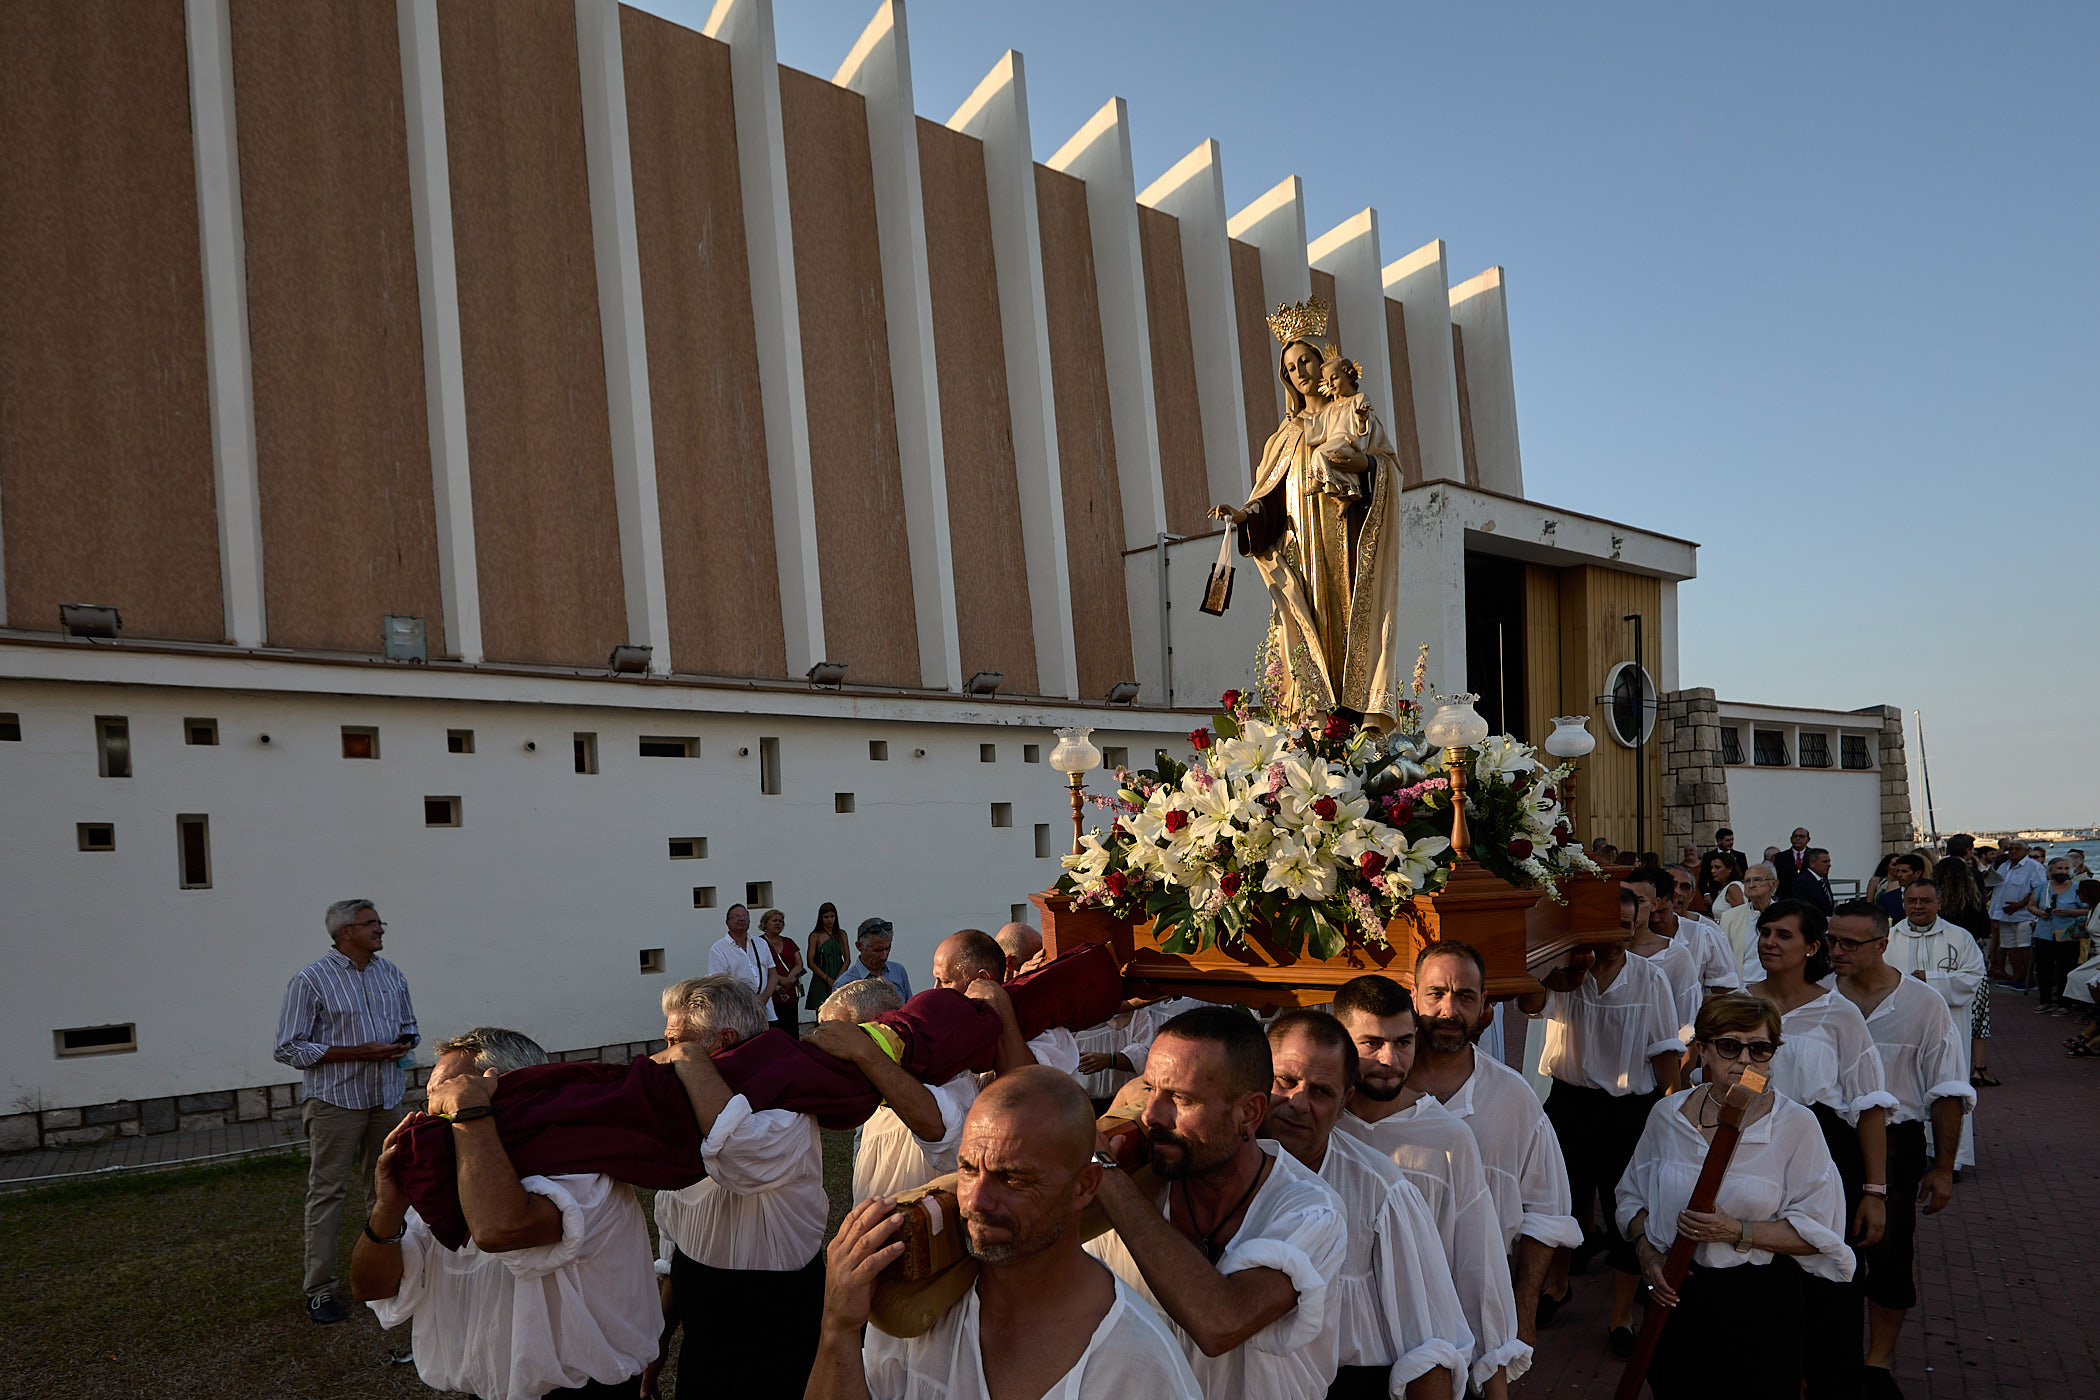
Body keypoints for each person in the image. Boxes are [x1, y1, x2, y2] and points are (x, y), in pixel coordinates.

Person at [808, 1067, 1204, 1400]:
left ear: (1085, 1185)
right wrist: (838, 1329)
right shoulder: (919, 1313)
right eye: (967, 1169)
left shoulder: (1139, 1365)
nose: (976, 1201)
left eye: (1011, 1178)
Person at [351, 1026, 657, 1400]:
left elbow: (499, 1229)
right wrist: (388, 1208)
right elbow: (371, 1288)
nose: (430, 1115)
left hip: (582, 1392)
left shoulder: (583, 1175)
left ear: (507, 1092)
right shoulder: (445, 1180)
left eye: (446, 1101)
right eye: (431, 1100)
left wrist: (468, 1112)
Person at [1086, 1005, 1350, 1400]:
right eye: (1150, 1090)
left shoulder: (1311, 1213)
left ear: (1249, 1112)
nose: (1152, 1116)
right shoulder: (1140, 1187)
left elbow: (1220, 1323)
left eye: (1180, 1099)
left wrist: (1102, 1169)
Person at [1615, 993, 1856, 1400]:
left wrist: (1737, 1230)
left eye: (1759, 1049)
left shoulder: (1797, 1125)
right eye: (1729, 1046)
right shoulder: (1667, 1116)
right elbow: (1631, 1199)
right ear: (1703, 1050)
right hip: (1679, 1296)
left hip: (1759, 1303)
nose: (1745, 1061)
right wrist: (1647, 1254)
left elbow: (1820, 1233)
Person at [1332, 975, 1531, 1397]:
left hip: (1416, 1359)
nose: (1390, 1059)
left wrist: (1494, 1379)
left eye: (1403, 1043)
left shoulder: (1447, 1138)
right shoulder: (1317, 1128)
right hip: (1322, 1358)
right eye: (1371, 1044)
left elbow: (1477, 1263)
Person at [1262, 1010, 1474, 1400]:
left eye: (1321, 1092)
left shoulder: (1383, 1190)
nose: (1298, 1102)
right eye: (1285, 1081)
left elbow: (1431, 1344)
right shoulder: (1214, 1168)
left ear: (1345, 1102)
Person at [1207, 311, 1404, 729]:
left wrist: (1367, 463)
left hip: (1348, 542)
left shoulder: (1353, 414)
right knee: (1305, 628)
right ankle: (1316, 722)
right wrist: (1244, 514)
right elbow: (1270, 498)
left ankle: (1356, 717)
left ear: (1326, 360)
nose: (1300, 373)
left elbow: (1389, 470)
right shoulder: (1284, 435)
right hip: (1301, 552)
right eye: (1290, 368)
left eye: (1306, 361)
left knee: (1352, 625)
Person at [646, 975, 830, 1400]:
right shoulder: (681, 1116)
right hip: (703, 1336)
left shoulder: (788, 1110)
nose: (668, 1052)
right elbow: (677, 1250)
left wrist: (688, 1058)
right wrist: (656, 1354)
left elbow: (734, 1152)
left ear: (724, 1042)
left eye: (678, 1041)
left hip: (775, 1330)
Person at [1516, 908, 1684, 1360]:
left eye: (1623, 925)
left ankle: (1621, 1314)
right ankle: (1557, 1288)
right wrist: (1548, 969)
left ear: (1634, 927)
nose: (1613, 936)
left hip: (1628, 1110)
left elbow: (1665, 1050)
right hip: (1569, 1102)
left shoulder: (1650, 979)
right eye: (1604, 925)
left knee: (1623, 1209)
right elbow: (1531, 1005)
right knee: (1559, 1200)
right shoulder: (1568, 972)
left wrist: (1672, 1114)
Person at [1392, 948, 1580, 1343]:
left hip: (1478, 1310)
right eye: (1436, 993)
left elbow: (1545, 1213)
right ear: (1412, 994)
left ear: (1485, 1002)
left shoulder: (1514, 1097)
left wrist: (1524, 1307)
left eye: (1464, 997)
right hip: (1388, 1307)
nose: (1449, 1010)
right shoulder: (1377, 1091)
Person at [1745, 900, 1892, 1399]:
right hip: (1753, 1149)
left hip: (1826, 1153)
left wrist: (1874, 1190)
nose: (1769, 942)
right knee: (1762, 1279)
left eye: (1784, 935)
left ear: (1811, 948)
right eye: (1765, 932)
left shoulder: (1839, 1013)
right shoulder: (1740, 1003)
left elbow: (1869, 1106)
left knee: (1829, 1284)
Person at [1828, 902, 1972, 1400]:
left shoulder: (1924, 1003)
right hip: (1826, 1140)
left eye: (1850, 943)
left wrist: (1943, 1168)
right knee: (1827, 1249)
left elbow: (1947, 1089)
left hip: (1895, 1140)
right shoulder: (1819, 996)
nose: (1837, 952)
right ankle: (1831, 1357)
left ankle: (1878, 1360)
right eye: (1832, 941)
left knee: (1889, 1254)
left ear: (1882, 945)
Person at [273, 898, 420, 1324]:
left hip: (386, 1098)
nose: (381, 930)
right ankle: (319, 1290)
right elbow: (288, 1047)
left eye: (379, 922)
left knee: (388, 1190)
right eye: (371, 924)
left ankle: (389, 1275)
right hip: (335, 1102)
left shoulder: (391, 973)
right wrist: (359, 1052)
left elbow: (410, 1023)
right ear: (345, 932)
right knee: (327, 1194)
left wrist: (403, 1043)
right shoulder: (311, 980)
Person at [1884, 877, 1985, 1168]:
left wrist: (1930, 979)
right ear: (1903, 903)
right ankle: (1906, 1152)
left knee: (1949, 1083)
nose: (1918, 906)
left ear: (1939, 903)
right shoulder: (1888, 939)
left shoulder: (1959, 937)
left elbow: (1973, 978)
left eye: (1925, 901)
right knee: (1904, 1083)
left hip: (1949, 1025)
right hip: (1903, 1025)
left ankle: (1951, 1159)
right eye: (1912, 901)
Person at [1934, 856, 1997, 1088]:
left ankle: (1945, 1063)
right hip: (1971, 958)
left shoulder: (1937, 906)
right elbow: (1984, 928)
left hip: (1941, 958)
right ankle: (1979, 1067)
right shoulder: (1973, 901)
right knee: (1979, 1017)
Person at [706, 904, 783, 1026]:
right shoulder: (719, 949)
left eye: (745, 916)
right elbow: (719, 985)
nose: (741, 919)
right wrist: (746, 1002)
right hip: (738, 1013)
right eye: (736, 916)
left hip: (765, 1010)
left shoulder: (761, 943)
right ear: (728, 922)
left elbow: (773, 973)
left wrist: (765, 997)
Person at [1987, 839, 2045, 991]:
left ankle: (2027, 979)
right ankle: (2016, 976)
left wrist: (2019, 905)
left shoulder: (2034, 867)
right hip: (2004, 914)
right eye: (2010, 849)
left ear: (2026, 850)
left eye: (2017, 849)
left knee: (2024, 947)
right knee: (2010, 947)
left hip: (2024, 915)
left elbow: (2038, 891)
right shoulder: (2004, 866)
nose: (2013, 851)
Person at [2034, 857, 2088, 1010]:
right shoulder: (2042, 887)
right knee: (2044, 968)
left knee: (2066, 969)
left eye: (2066, 869)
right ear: (2050, 870)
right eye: (2059, 868)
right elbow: (2032, 905)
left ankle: (2065, 1003)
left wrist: (2070, 912)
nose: (2063, 872)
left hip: (2068, 935)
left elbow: (2088, 909)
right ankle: (2044, 1001)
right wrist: (2040, 912)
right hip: (2043, 933)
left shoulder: (2077, 888)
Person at [1719, 863, 1780, 980]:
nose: (1751, 885)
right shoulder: (1730, 917)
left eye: (1757, 880)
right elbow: (1723, 956)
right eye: (1746, 881)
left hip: (1777, 984)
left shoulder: (1787, 915)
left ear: (1774, 884)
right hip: (1741, 985)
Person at [757, 908, 806, 1038]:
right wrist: (780, 980)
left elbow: (799, 963)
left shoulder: (789, 942)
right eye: (774, 920)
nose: (778, 923)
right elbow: (758, 966)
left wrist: (789, 980)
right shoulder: (758, 943)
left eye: (781, 921)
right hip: (771, 993)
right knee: (774, 1030)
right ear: (765, 923)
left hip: (790, 992)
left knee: (791, 1029)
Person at [839, 917, 913, 998]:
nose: (884, 956)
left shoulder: (898, 971)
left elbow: (909, 1008)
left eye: (888, 948)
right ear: (859, 946)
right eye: (878, 950)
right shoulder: (845, 984)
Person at [804, 902, 848, 1017]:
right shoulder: (815, 935)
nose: (829, 920)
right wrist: (828, 980)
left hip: (839, 977)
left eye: (832, 916)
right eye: (826, 917)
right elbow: (810, 962)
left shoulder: (841, 934)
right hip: (821, 978)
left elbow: (847, 960)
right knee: (821, 1015)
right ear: (821, 918)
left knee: (840, 1013)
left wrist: (837, 980)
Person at [1791, 848, 1837, 915]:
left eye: (1829, 861)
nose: (1829, 865)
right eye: (1824, 862)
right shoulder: (1803, 882)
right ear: (1812, 863)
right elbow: (1799, 908)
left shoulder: (1823, 879)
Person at [1773, 827, 1814, 896]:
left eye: (1801, 836)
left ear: (1808, 839)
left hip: (1809, 895)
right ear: (1791, 839)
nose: (1797, 839)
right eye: (1795, 836)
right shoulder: (1780, 857)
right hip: (1786, 896)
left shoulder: (1814, 855)